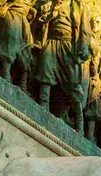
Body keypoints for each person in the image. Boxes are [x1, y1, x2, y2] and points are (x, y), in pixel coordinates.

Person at [34, 0, 91, 134]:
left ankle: (79, 124)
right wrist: (52, 11)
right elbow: (39, 21)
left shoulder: (80, 7)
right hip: (51, 42)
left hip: (68, 47)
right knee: (45, 73)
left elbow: (85, 30)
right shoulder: (49, 4)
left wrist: (83, 48)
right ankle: (43, 108)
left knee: (74, 84)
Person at [0, 0, 36, 89]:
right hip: (12, 13)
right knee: (11, 38)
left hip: (24, 19)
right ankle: (5, 71)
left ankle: (23, 81)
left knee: (27, 50)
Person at [83, 11, 101, 143]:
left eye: (97, 22)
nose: (94, 25)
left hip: (95, 78)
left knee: (93, 107)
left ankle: (89, 135)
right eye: (93, 22)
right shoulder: (87, 38)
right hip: (83, 71)